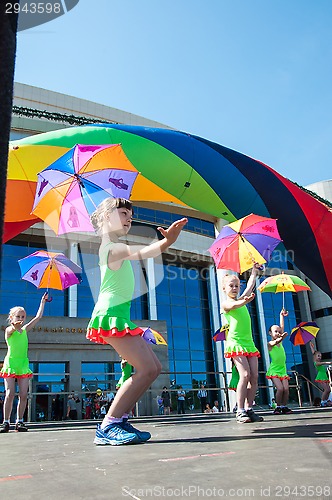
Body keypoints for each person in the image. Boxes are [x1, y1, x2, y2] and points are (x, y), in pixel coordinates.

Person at [86, 197, 187, 445]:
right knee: (146, 369)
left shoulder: (114, 246)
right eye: (123, 214)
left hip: (118, 315)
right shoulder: (113, 248)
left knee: (152, 369)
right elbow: (144, 253)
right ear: (106, 217)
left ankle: (118, 420)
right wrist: (168, 241)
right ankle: (108, 425)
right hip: (110, 315)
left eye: (130, 217)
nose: (129, 220)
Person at [0, 293, 48, 433]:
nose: (20, 319)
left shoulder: (25, 330)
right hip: (11, 363)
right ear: (11, 318)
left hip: (23, 364)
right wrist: (14, 326)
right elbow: (10, 329)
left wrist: (42, 302)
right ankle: (6, 422)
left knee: (23, 394)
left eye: (22, 317)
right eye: (18, 316)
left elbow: (38, 317)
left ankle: (19, 421)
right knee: (10, 393)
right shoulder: (9, 331)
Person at [222, 266, 264, 424]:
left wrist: (253, 272)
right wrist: (244, 301)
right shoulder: (226, 304)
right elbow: (234, 306)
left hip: (249, 343)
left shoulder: (241, 300)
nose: (234, 288)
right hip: (236, 343)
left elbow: (250, 286)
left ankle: (249, 408)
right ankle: (239, 410)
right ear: (224, 288)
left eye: (236, 286)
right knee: (244, 375)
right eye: (231, 286)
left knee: (254, 377)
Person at [266, 308, 292, 415]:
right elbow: (277, 340)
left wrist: (281, 315)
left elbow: (282, 328)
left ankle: (284, 406)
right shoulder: (270, 344)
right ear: (270, 333)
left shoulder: (280, 343)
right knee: (280, 389)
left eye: (278, 332)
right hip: (274, 370)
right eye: (275, 331)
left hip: (283, 369)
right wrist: (281, 338)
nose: (278, 333)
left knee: (286, 389)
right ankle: (277, 406)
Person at [310, 342, 332, 407]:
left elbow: (314, 352)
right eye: (318, 356)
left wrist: (312, 346)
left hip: (324, 377)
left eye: (320, 356)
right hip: (321, 377)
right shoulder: (316, 363)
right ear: (315, 357)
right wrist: (327, 362)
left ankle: (325, 400)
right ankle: (322, 401)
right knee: (326, 390)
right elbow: (314, 354)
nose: (320, 357)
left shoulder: (318, 361)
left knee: (328, 390)